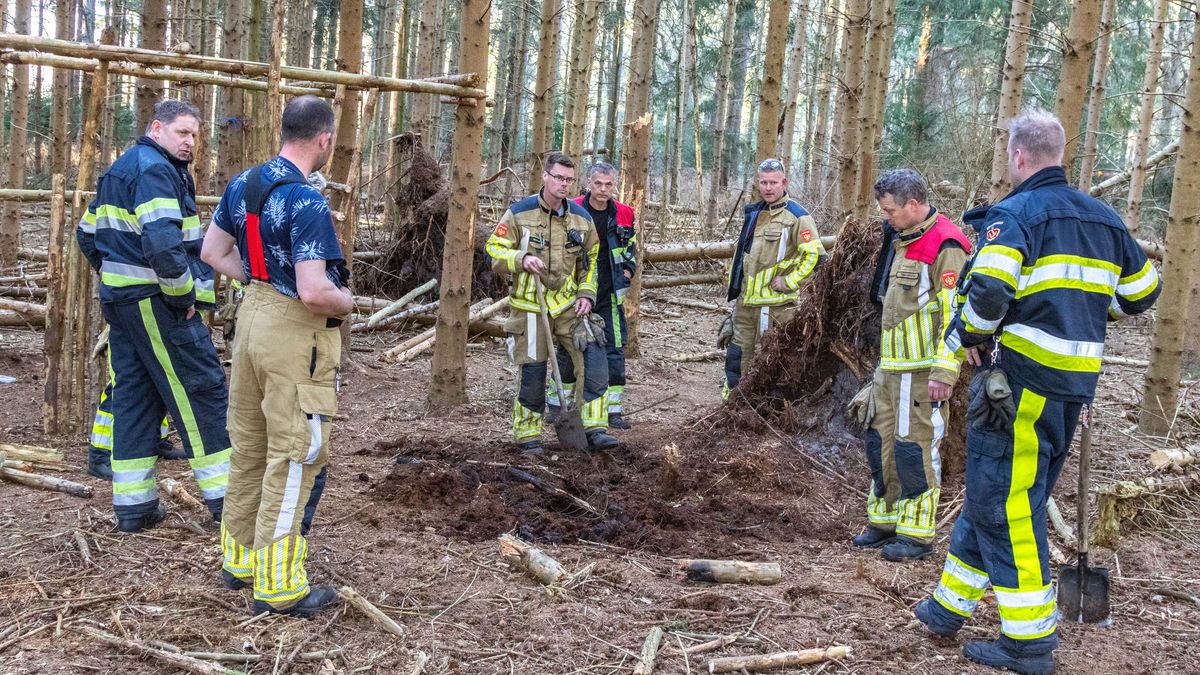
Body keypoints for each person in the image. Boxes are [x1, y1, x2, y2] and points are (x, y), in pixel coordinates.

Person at [912, 110, 1160, 674]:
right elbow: (1142, 294)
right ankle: (949, 607)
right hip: (1072, 389)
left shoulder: (1016, 214)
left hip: (1018, 388)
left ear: (1018, 156)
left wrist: (970, 334)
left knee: (1006, 505)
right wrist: (1085, 314)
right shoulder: (1106, 220)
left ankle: (1029, 643)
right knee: (995, 493)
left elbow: (991, 291)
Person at [202, 95, 351, 617]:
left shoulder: (245, 183)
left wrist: (260, 281)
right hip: (294, 334)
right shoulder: (307, 202)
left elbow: (211, 253)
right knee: (294, 454)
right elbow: (315, 292)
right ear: (323, 139)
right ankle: (279, 584)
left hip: (251, 322)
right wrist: (349, 300)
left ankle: (239, 560)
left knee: (249, 447)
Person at [76, 100, 227, 532]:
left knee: (136, 397)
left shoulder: (123, 168)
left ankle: (135, 506)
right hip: (157, 304)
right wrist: (181, 297)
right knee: (198, 391)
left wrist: (114, 273)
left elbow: (87, 234)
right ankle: (228, 504)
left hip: (123, 304)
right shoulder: (155, 170)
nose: (190, 142)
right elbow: (163, 244)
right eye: (182, 132)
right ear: (156, 128)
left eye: (195, 135)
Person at [850, 169, 970, 561]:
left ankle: (916, 535)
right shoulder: (900, 238)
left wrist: (944, 370)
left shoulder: (946, 244)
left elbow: (956, 313)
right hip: (891, 368)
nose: (885, 217)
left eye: (890, 210)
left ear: (914, 205)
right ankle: (883, 522)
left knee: (915, 451)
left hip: (922, 373)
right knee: (880, 445)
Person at [485, 153, 618, 455]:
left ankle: (594, 429)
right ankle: (528, 435)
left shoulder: (581, 219)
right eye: (558, 177)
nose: (564, 184)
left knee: (595, 355)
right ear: (545, 176)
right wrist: (521, 258)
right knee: (533, 372)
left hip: (568, 306)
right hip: (531, 307)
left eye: (569, 180)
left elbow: (592, 261)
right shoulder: (519, 213)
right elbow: (493, 250)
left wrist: (586, 294)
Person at [720, 158, 827, 398]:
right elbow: (745, 257)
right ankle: (735, 401)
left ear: (784, 183)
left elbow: (815, 257)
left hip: (778, 305)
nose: (768, 188)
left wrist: (789, 282)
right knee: (738, 353)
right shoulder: (756, 213)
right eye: (763, 182)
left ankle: (775, 407)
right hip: (747, 302)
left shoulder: (797, 216)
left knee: (778, 356)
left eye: (773, 182)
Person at [547, 162, 637, 429]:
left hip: (609, 295)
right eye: (598, 183)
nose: (603, 189)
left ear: (615, 186)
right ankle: (557, 404)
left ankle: (612, 411)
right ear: (588, 183)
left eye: (609, 184)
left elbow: (631, 247)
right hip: (574, 294)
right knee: (569, 347)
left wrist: (628, 273)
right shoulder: (572, 209)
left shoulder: (624, 214)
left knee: (614, 350)